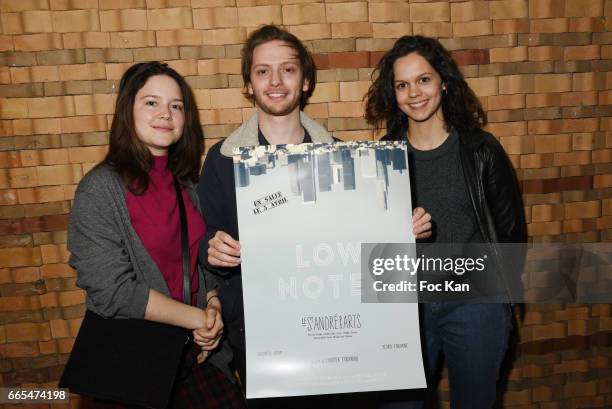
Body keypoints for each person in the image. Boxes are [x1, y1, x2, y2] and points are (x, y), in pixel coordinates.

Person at [197, 25, 432, 404]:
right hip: (263, 340)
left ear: (305, 81)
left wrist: (399, 231)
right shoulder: (223, 161)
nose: (275, 81)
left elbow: (366, 254)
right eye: (262, 71)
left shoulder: (348, 159)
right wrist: (212, 250)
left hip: (339, 340)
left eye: (288, 69)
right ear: (249, 84)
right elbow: (203, 242)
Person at [67, 61, 245, 409]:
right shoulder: (99, 190)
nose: (166, 113)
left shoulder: (188, 185)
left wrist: (213, 304)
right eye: (151, 102)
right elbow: (111, 290)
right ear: (127, 111)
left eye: (175, 106)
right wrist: (197, 317)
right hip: (134, 366)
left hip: (196, 357)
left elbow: (199, 261)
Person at [364, 36, 527, 409]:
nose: (414, 93)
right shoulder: (381, 159)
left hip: (476, 305)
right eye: (402, 85)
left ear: (444, 83)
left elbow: (510, 233)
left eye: (423, 79)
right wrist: (395, 235)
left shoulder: (481, 149)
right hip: (406, 306)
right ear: (393, 94)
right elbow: (368, 244)